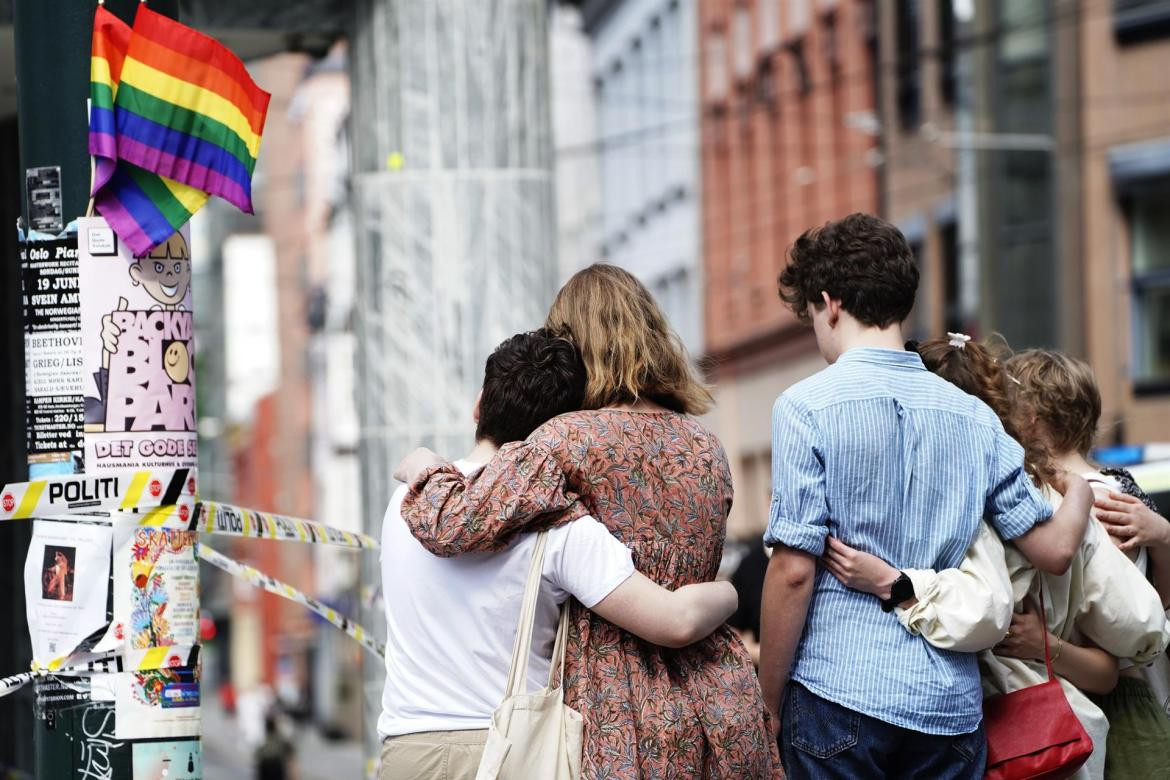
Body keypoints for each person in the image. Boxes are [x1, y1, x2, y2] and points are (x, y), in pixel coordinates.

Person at [394, 265, 782, 778]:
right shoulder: (705, 446)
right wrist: (727, 595)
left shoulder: (563, 441)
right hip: (718, 696)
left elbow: (453, 525)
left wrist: (423, 467)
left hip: (615, 712)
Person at [759, 214, 1092, 779]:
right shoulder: (974, 417)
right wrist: (1080, 488)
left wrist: (766, 703)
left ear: (830, 302)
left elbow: (793, 571)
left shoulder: (805, 407)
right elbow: (1054, 551)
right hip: (949, 709)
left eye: (813, 316)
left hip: (838, 691)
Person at [823, 339, 1170, 780]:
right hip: (1062, 734)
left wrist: (896, 584)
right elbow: (1137, 622)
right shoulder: (1057, 498)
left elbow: (982, 609)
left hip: (989, 729)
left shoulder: (959, 498)